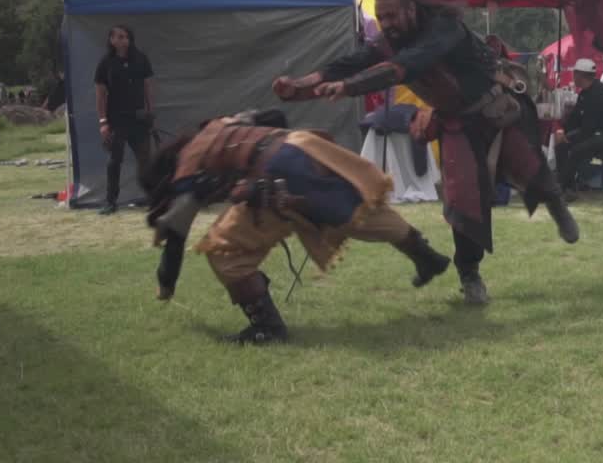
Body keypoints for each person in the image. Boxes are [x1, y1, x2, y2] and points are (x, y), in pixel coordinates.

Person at [271, 0, 577, 305]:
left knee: (529, 167)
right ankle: (470, 275)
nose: (386, 24)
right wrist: (301, 85)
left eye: (392, 16)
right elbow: (351, 62)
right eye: (381, 17)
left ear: (411, 10)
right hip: (456, 122)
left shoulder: (444, 28)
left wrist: (348, 87)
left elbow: (407, 66)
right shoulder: (390, 41)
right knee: (463, 202)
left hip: (494, 110)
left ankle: (556, 203)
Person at [139, 109, 450, 344]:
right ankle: (426, 256)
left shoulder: (186, 168)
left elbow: (176, 233)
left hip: (276, 169)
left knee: (223, 251)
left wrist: (166, 283)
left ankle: (267, 327)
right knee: (360, 210)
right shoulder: (220, 124)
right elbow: (272, 115)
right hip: (303, 144)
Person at [94, 24, 156, 215]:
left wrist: (150, 112)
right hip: (116, 120)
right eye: (118, 37)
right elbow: (100, 95)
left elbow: (148, 87)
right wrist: (103, 122)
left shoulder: (141, 59)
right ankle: (110, 202)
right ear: (111, 40)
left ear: (130, 40)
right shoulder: (105, 64)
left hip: (138, 119)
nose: (122, 40)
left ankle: (152, 198)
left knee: (145, 160)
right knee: (114, 161)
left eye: (125, 37)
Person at [554, 58, 603, 199]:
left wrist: (568, 137)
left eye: (575, 73)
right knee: (561, 146)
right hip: (595, 134)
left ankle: (561, 187)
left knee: (576, 150)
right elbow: (575, 119)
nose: (573, 77)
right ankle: (569, 187)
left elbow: (588, 128)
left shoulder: (598, 94)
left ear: (581, 75)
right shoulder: (585, 93)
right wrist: (563, 131)